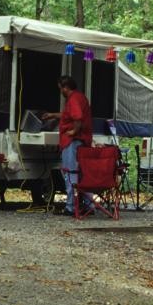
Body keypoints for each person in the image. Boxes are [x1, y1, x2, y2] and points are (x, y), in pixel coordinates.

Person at [42, 75, 94, 216]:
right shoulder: (80, 97)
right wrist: (52, 115)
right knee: (83, 174)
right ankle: (89, 205)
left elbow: (77, 117)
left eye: (60, 88)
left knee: (70, 173)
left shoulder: (73, 99)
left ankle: (71, 207)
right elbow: (68, 115)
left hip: (72, 142)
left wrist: (74, 131)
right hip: (83, 141)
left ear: (65, 87)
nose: (60, 91)